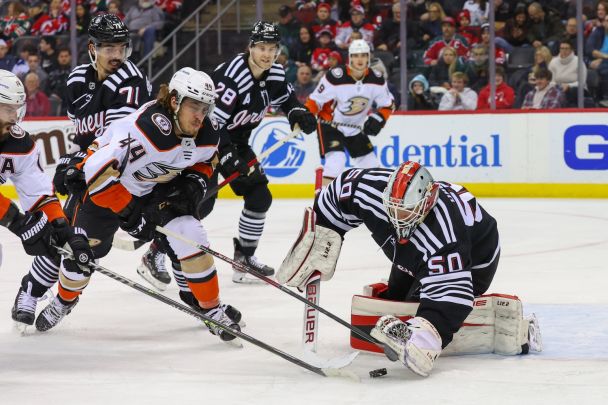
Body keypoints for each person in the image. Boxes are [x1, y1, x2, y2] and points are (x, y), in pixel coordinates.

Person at [35, 67, 242, 343]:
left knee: (192, 235)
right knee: (80, 258)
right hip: (103, 193)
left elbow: (208, 159)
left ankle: (212, 310)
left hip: (151, 193)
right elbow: (96, 174)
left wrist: (195, 181)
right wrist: (130, 213)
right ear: (174, 101)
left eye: (206, 108)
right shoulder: (146, 130)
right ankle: (64, 300)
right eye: (194, 106)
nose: (200, 116)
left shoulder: (207, 130)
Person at [277, 161, 540, 377]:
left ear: (425, 204)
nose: (396, 218)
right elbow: (338, 193)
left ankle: (511, 329)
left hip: (477, 255)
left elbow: (453, 294)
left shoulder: (443, 237)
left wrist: (424, 339)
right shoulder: (368, 190)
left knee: (426, 306)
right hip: (415, 251)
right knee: (395, 299)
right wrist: (322, 238)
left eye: (405, 213)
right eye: (392, 209)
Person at [49, 15, 160, 290]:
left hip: (130, 174)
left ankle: (190, 289)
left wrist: (77, 164)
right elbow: (82, 133)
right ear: (92, 48)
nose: (116, 55)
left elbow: (114, 143)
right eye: (109, 48)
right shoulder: (76, 81)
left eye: (121, 47)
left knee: (89, 245)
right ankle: (45, 292)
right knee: (69, 240)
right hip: (95, 170)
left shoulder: (130, 80)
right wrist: (72, 159)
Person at [209, 21, 316, 283]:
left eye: (272, 48)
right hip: (206, 140)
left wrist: (298, 112)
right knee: (200, 206)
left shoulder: (275, 73)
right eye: (261, 48)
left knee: (260, 197)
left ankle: (244, 256)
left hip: (239, 141)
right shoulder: (233, 76)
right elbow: (211, 123)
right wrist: (226, 155)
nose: (267, 54)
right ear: (250, 48)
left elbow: (287, 99)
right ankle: (155, 252)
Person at [0, 69, 93, 331]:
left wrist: (62, 228)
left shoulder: (19, 144)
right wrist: (16, 221)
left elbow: (39, 194)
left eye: (17, 109)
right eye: (7, 109)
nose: (14, 117)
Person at [305, 39, 394, 186]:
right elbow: (315, 101)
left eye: (364, 55)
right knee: (336, 162)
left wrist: (379, 119)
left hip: (355, 128)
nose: (360, 59)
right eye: (356, 55)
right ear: (350, 58)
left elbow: (388, 105)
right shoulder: (335, 76)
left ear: (368, 58)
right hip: (330, 125)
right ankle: (322, 203)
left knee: (371, 166)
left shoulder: (376, 79)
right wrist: (305, 115)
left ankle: (371, 203)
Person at [548, 40, 587, 106]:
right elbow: (550, 81)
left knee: (571, 91)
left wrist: (568, 86)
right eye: (562, 48)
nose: (564, 50)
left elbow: (582, 82)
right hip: (558, 88)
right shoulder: (553, 62)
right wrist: (559, 86)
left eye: (566, 48)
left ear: (571, 50)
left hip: (577, 90)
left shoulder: (579, 61)